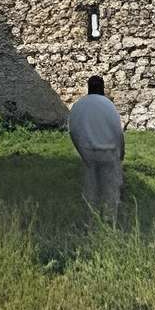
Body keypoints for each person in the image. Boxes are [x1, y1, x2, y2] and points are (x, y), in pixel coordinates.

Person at [68, 74, 125, 221]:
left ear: (88, 88)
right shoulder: (108, 105)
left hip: (88, 153)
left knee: (91, 188)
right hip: (109, 152)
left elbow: (73, 130)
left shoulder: (79, 105)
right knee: (110, 189)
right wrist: (121, 153)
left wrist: (81, 151)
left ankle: (91, 220)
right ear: (103, 88)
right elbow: (118, 132)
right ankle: (108, 221)